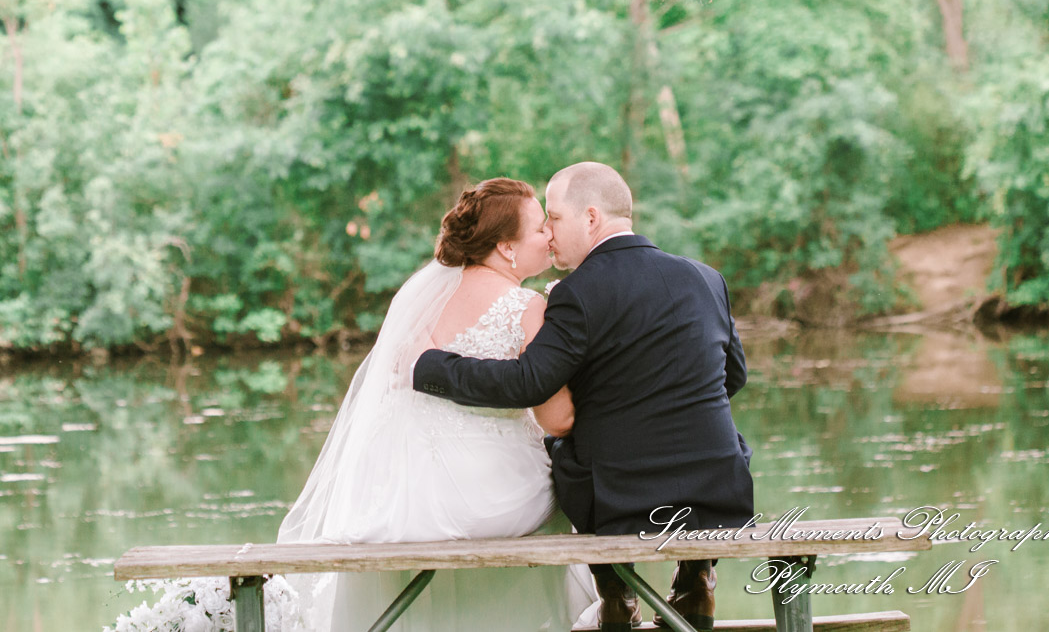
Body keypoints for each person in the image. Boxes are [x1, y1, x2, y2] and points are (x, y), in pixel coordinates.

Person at [412, 162, 755, 632]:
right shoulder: (706, 278)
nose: (549, 232)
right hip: (720, 490)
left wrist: (430, 365)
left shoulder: (577, 292)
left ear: (590, 218)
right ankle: (697, 578)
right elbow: (731, 376)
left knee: (563, 445)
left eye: (553, 218)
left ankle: (615, 592)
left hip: (621, 501)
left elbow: (529, 383)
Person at [278, 177, 596, 631]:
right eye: (540, 228)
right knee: (562, 493)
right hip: (496, 493)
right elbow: (557, 418)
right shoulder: (528, 307)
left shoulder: (425, 299)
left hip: (404, 495)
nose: (549, 235)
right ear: (507, 247)